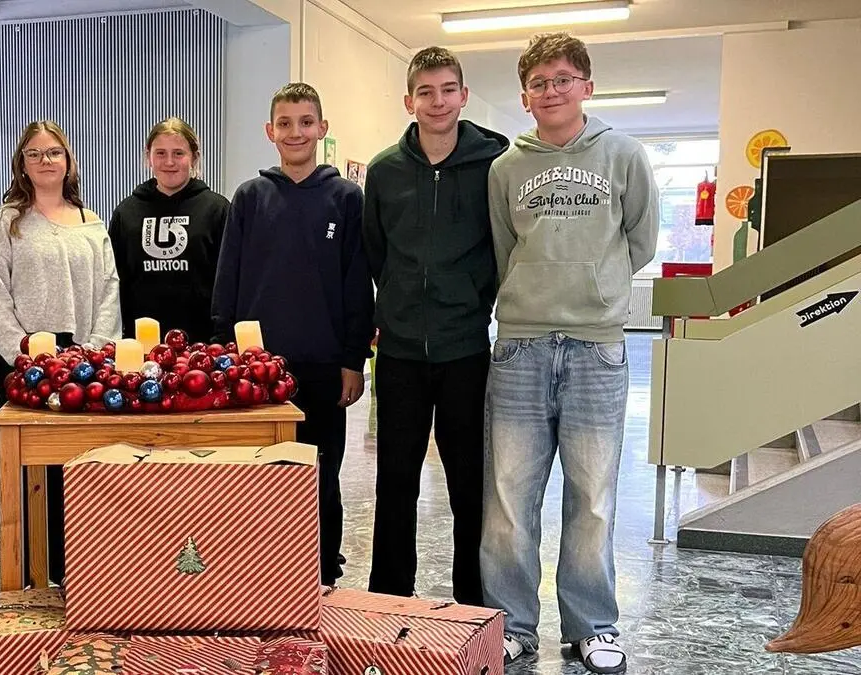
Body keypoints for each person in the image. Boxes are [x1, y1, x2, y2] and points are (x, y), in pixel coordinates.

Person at [480, 33, 658, 674]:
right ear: (525, 96)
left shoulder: (624, 155)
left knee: (593, 498)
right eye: (538, 83)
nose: (551, 91)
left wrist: (596, 289)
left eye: (562, 79)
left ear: (587, 85)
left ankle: (593, 627)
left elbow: (641, 240)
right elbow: (505, 248)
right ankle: (512, 626)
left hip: (596, 350)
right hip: (520, 348)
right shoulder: (506, 168)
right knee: (508, 498)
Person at [361, 47, 508, 607]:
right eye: (426, 92)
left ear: (464, 95)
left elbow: (501, 246)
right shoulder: (384, 171)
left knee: (469, 483)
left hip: (465, 349)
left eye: (448, 90)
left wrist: (473, 299)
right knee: (395, 481)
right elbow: (376, 253)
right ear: (409, 101)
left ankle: (474, 601)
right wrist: (398, 305)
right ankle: (389, 597)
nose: (438, 101)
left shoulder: (495, 163)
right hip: (399, 353)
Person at [211, 83, 374, 586]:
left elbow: (357, 284)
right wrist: (226, 356)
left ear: (322, 129)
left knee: (321, 475)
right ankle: (259, 573)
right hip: (256, 371)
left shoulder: (347, 198)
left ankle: (323, 571)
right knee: (259, 475)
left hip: (324, 367)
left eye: (306, 122)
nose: (295, 132)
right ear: (270, 131)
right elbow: (227, 281)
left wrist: (353, 359)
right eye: (285, 123)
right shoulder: (249, 197)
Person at [0, 120, 120, 583]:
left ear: (68, 161)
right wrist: (22, 351)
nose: (45, 161)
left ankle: (79, 572)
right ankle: (32, 573)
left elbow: (109, 291)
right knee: (31, 475)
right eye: (34, 153)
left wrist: (93, 350)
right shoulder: (7, 222)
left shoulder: (91, 222)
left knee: (79, 471)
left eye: (54, 152)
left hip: (85, 366)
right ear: (22, 163)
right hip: (27, 368)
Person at [109, 117, 228, 342]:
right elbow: (114, 281)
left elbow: (228, 281)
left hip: (203, 345)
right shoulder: (126, 213)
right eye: (161, 153)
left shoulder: (217, 209)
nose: (169, 162)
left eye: (178, 153)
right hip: (141, 344)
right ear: (149, 157)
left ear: (194, 157)